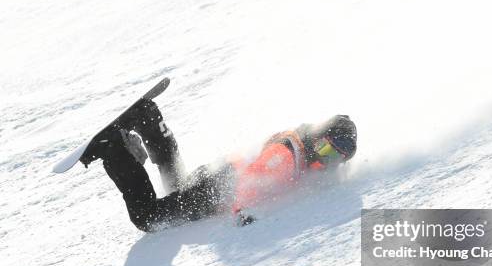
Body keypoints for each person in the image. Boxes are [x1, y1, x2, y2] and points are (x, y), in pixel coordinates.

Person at [80, 99, 357, 231]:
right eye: (326, 149)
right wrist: (240, 211)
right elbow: (253, 177)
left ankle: (150, 121)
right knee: (148, 218)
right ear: (320, 135)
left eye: (335, 158)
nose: (325, 160)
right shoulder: (287, 155)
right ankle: (113, 148)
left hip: (217, 177)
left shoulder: (300, 143)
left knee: (176, 185)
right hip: (217, 189)